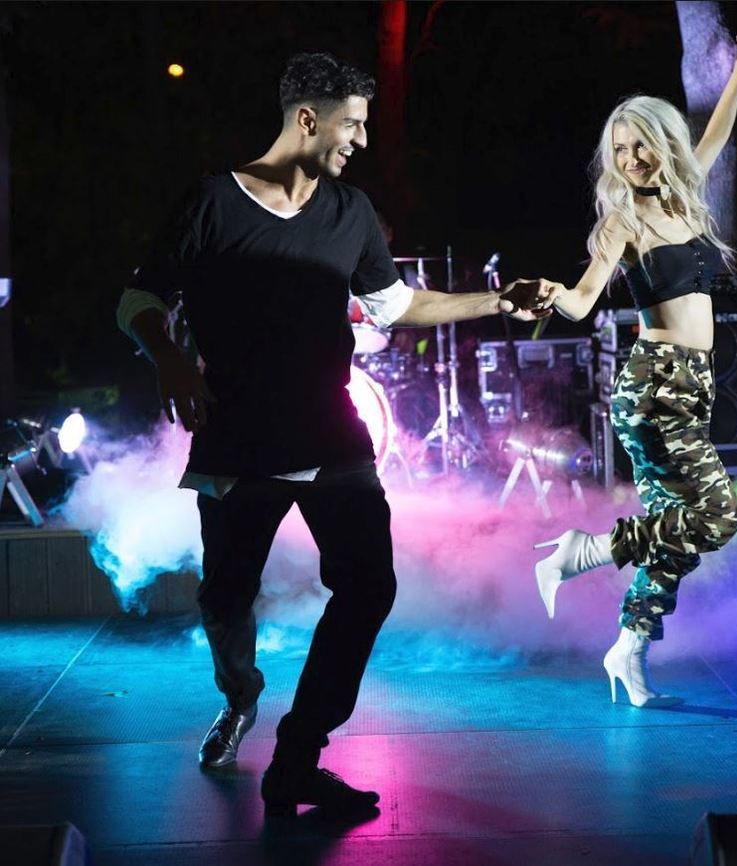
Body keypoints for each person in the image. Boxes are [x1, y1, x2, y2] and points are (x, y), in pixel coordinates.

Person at [116, 51, 554, 819]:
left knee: (368, 584)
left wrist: (495, 301)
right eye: (351, 124)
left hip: (330, 433)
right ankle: (240, 696)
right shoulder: (212, 204)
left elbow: (395, 306)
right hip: (236, 438)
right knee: (226, 597)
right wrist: (170, 356)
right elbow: (136, 300)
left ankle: (297, 757)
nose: (360, 140)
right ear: (307, 118)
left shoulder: (350, 211)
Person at [531, 30, 737, 708]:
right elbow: (583, 300)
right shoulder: (623, 221)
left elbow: (717, 132)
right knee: (717, 516)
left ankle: (629, 649)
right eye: (620, 149)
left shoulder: (685, 195)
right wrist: (550, 295)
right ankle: (584, 552)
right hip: (655, 386)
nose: (631, 159)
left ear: (663, 145)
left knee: (676, 532)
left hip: (693, 384)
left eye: (640, 145)